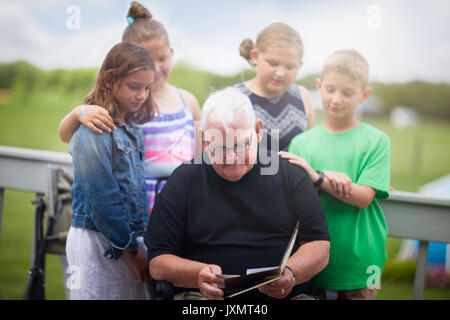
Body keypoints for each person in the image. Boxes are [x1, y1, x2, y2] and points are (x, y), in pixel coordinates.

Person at [145, 87, 330, 300]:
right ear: (204, 140)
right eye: (221, 148)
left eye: (242, 145)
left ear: (258, 131)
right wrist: (197, 274)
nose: (233, 158)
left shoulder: (290, 175)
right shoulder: (184, 179)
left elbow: (319, 245)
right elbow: (158, 262)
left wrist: (291, 272)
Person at [58, 1, 201, 215]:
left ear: (171, 52)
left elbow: (201, 162)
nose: (156, 68)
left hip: (182, 211)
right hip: (137, 215)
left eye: (162, 58)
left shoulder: (188, 101)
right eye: (146, 60)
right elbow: (66, 136)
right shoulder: (123, 106)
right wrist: (78, 113)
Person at [282, 49, 391, 300]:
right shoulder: (301, 143)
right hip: (313, 261)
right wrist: (322, 177)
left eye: (348, 92)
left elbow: (364, 197)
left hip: (363, 264)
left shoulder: (377, 141)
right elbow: (295, 199)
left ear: (365, 95)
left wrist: (320, 178)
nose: (336, 98)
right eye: (330, 89)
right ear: (319, 87)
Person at [66, 42, 156, 299]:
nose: (142, 95)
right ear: (109, 80)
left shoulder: (131, 129)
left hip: (124, 238)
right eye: (134, 87)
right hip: (97, 241)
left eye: (147, 87)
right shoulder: (93, 130)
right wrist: (129, 250)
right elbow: (103, 196)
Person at [235, 22, 315, 152]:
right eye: (273, 63)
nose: (280, 73)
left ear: (299, 65)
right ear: (255, 56)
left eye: (289, 67)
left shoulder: (302, 96)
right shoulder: (233, 97)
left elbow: (310, 150)